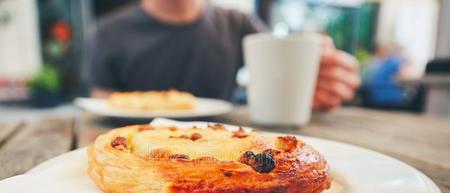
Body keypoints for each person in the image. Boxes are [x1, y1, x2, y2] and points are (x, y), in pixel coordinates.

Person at [88, 0, 360, 111]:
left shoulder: (239, 24)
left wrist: (309, 84)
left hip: (228, 153)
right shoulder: (107, 31)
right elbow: (104, 105)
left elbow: (279, 71)